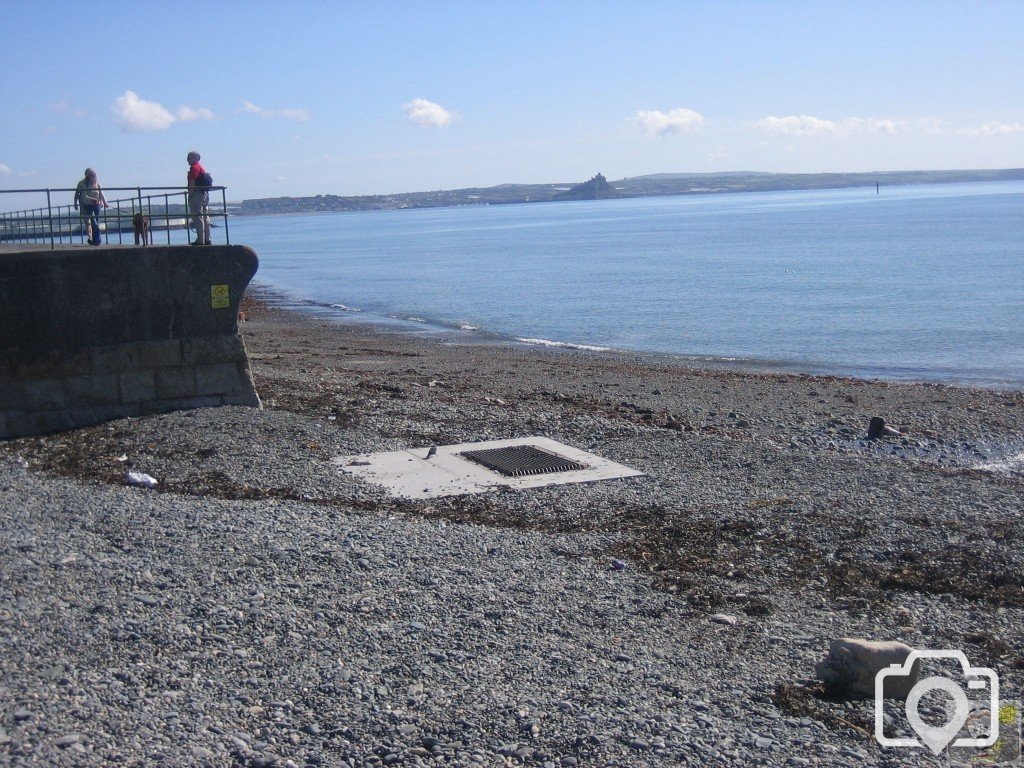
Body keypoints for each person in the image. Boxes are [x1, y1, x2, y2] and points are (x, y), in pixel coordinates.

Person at [73, 168, 108, 246]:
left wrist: (105, 202)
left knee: (95, 222)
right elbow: (81, 195)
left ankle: (94, 240)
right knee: (91, 223)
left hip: (96, 205)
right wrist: (75, 203)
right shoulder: (82, 183)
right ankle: (95, 239)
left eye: (94, 175)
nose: (93, 176)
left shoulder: (96, 183)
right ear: (87, 175)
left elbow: (101, 193)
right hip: (86, 205)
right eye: (91, 175)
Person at [186, 150, 211, 245]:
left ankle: (201, 240)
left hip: (197, 195)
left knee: (198, 217)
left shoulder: (194, 168)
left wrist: (191, 194)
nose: (188, 160)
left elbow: (192, 181)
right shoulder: (201, 167)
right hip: (204, 194)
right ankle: (207, 239)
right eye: (188, 158)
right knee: (205, 217)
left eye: (190, 158)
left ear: (196, 158)